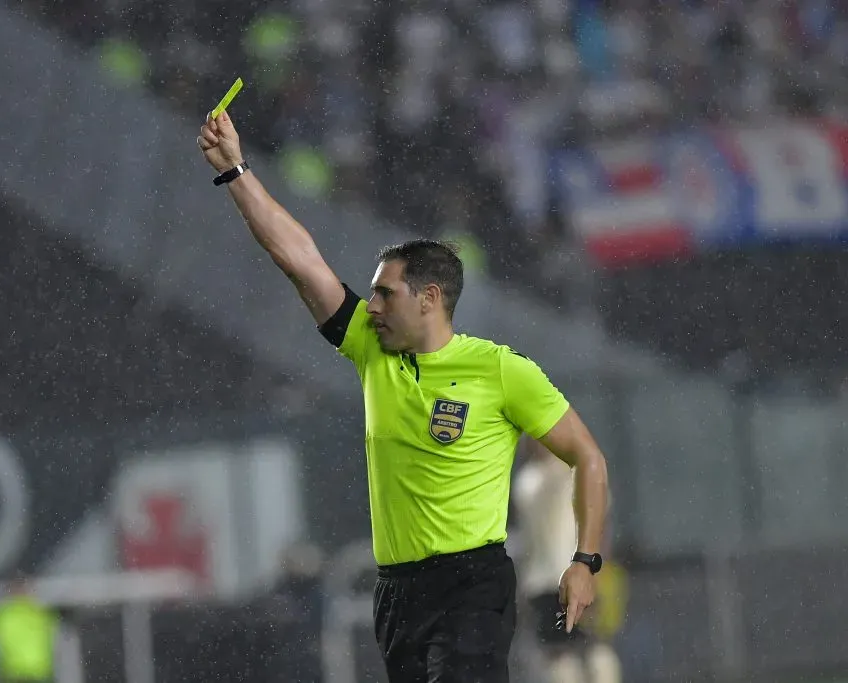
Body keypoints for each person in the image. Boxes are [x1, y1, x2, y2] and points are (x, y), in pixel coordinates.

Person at [197, 110, 610, 683]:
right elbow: (298, 258)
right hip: (398, 592)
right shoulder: (372, 350)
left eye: (384, 294)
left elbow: (587, 457)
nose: (370, 306)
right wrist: (235, 171)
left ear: (429, 298)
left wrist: (586, 561)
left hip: (473, 583)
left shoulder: (500, 370)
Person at [513, 439, 623, 683]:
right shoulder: (531, 480)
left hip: (572, 574)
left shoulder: (545, 477)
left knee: (589, 650)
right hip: (551, 580)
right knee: (571, 652)